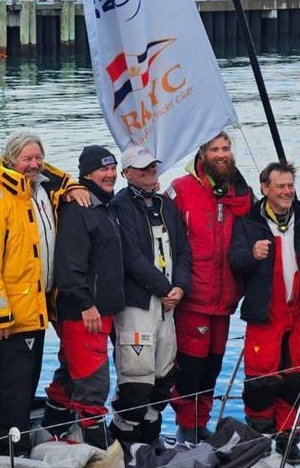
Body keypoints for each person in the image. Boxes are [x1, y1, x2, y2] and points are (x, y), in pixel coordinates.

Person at [0, 131, 78, 456]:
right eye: (26, 158)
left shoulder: (40, 190)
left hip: (36, 309)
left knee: (27, 383)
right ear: (10, 160)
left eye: (37, 158)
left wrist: (71, 185)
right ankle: (10, 451)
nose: (33, 164)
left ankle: (18, 441)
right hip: (10, 316)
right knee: (15, 388)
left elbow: (60, 177)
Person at [229, 161, 300, 465]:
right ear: (265, 188)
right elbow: (234, 260)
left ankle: (290, 439)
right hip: (266, 312)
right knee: (261, 380)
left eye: (290, 186)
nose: (287, 192)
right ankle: (259, 439)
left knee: (299, 379)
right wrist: (251, 255)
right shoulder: (248, 222)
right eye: (280, 186)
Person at [166, 131, 253, 442]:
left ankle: (201, 424)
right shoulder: (180, 189)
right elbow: (165, 241)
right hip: (193, 297)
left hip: (226, 298)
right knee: (189, 368)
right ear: (201, 153)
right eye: (215, 148)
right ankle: (186, 428)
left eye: (226, 148)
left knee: (213, 366)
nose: (222, 154)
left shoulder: (240, 193)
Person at [41, 146, 124, 450]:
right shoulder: (78, 208)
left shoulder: (106, 204)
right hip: (83, 311)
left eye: (113, 168)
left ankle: (51, 431)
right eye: (103, 169)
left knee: (70, 373)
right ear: (86, 174)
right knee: (93, 383)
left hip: (105, 309)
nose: (110, 174)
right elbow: (69, 265)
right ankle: (97, 449)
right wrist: (86, 304)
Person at [109, 146, 191, 445]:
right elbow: (130, 257)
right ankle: (125, 441)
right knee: (136, 378)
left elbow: (183, 249)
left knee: (164, 375)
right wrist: (164, 288)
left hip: (168, 305)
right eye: (143, 169)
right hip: (137, 304)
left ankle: (152, 436)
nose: (150, 173)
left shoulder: (166, 204)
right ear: (127, 173)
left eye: (153, 168)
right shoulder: (120, 206)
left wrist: (180, 287)